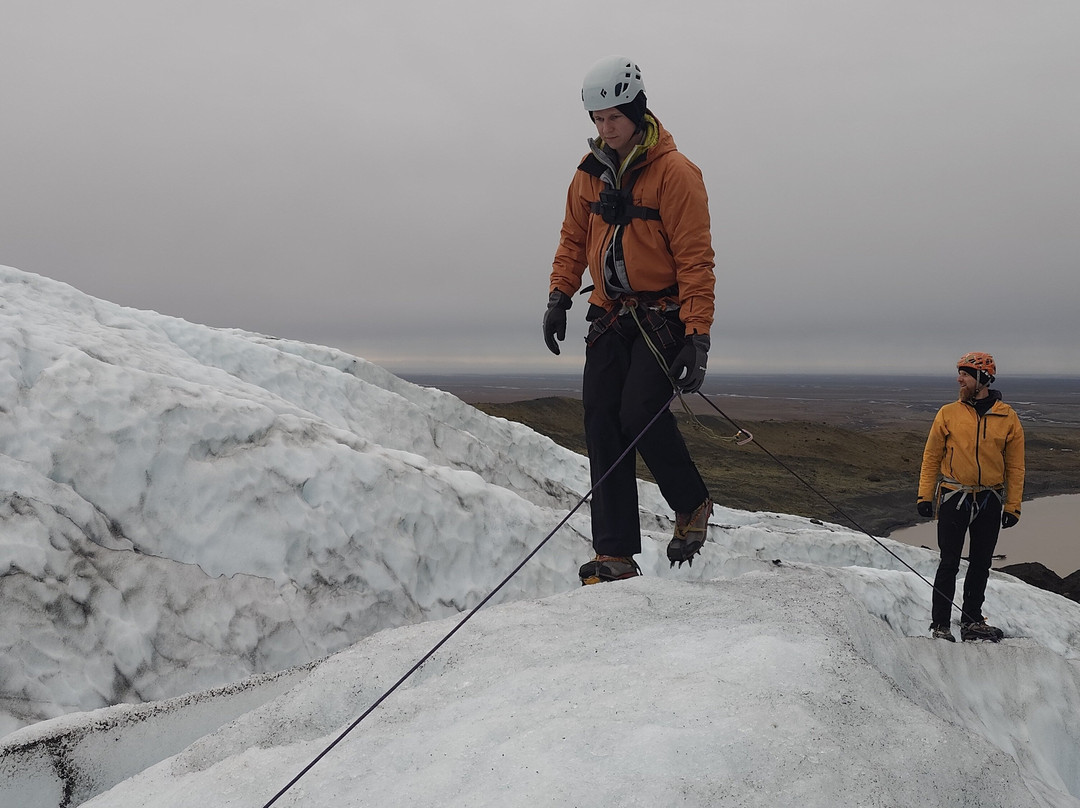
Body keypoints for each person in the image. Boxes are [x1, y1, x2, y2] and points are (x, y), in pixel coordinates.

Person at [543, 55, 716, 585]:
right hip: (609, 313)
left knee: (639, 409)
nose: (604, 128)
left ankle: (691, 504)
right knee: (601, 419)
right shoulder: (589, 172)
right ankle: (615, 553)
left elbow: (694, 256)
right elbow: (574, 237)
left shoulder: (675, 172)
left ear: (637, 111)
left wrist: (698, 333)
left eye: (612, 118)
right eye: (597, 120)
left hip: (661, 313)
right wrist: (559, 295)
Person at [917, 352, 1025, 642]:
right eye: (960, 373)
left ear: (982, 379)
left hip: (990, 499)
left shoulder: (1007, 417)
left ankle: (972, 622)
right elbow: (931, 458)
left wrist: (1013, 506)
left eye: (964, 374)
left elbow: (1016, 467)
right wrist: (925, 496)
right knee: (948, 562)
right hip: (954, 497)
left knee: (981, 563)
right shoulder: (948, 413)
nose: (959, 379)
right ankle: (940, 625)